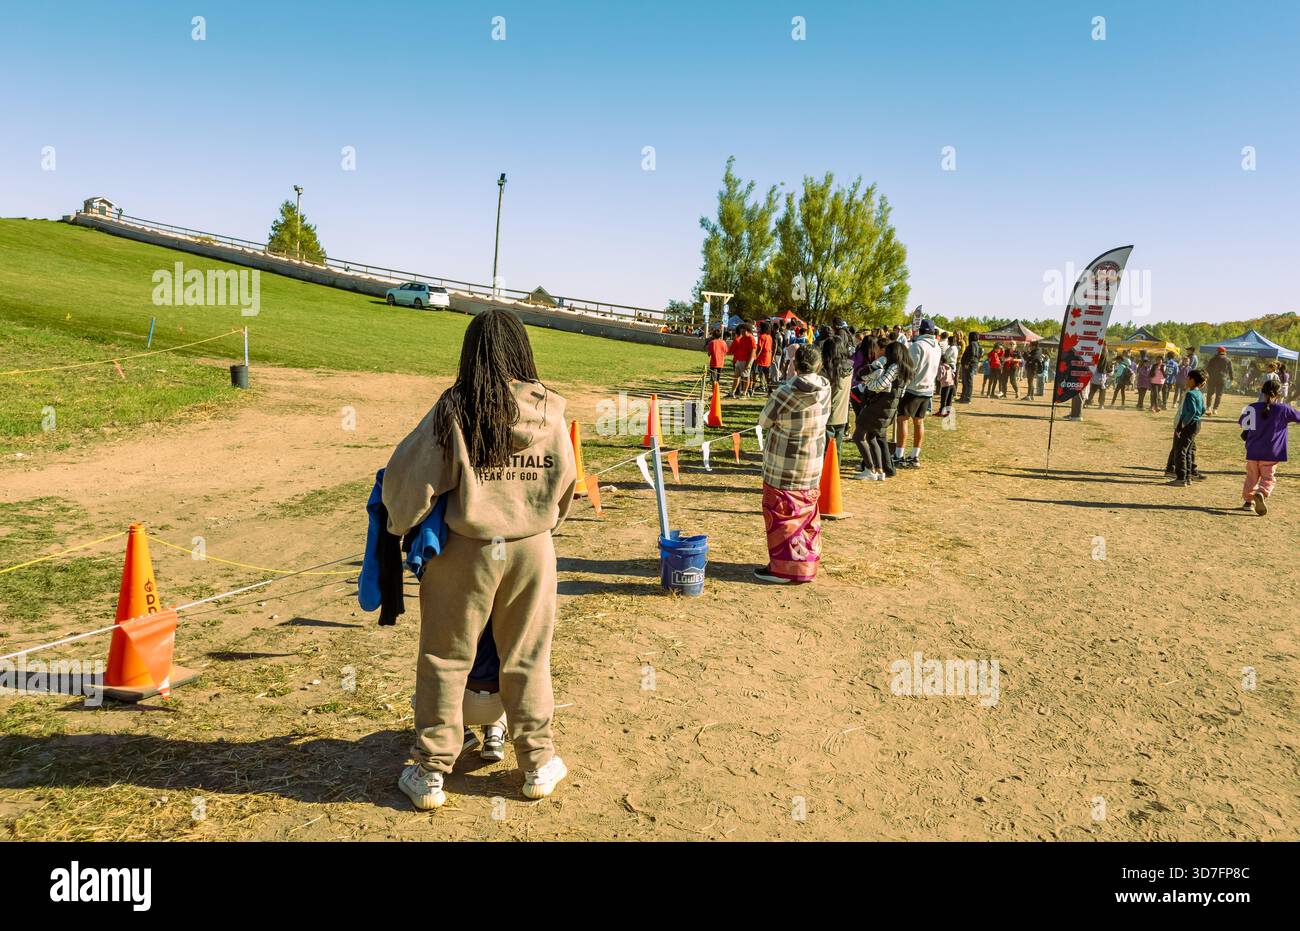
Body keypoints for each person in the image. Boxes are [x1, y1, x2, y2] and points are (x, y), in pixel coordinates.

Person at [383, 308, 578, 810]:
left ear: (471, 353)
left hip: (466, 549)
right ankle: (536, 763)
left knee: (445, 659)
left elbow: (408, 479)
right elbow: (565, 486)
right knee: (529, 657)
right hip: (533, 548)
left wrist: (399, 524)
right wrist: (538, 521)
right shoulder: (551, 409)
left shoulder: (456, 408)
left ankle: (430, 771)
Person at [754, 344, 831, 584]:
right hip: (812, 464)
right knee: (806, 519)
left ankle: (783, 569)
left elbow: (764, 421)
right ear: (819, 365)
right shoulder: (827, 388)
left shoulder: (784, 392)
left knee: (782, 519)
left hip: (783, 465)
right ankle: (805, 565)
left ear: (794, 364)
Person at [1238, 379, 1300, 515]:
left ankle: (1248, 502)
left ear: (1262, 392)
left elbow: (1242, 422)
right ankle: (1261, 492)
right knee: (1268, 478)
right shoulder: (1284, 409)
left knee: (1251, 477)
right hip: (1272, 452)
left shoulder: (1252, 407)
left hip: (1253, 450)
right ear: (1279, 394)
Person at [852, 339, 912, 480]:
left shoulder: (894, 367)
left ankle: (869, 469)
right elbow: (900, 393)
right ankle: (879, 470)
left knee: (858, 436)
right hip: (888, 409)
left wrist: (868, 383)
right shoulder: (906, 370)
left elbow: (881, 384)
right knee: (872, 437)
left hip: (878, 407)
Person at [894, 319, 941, 469]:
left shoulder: (917, 345)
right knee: (919, 421)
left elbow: (909, 368)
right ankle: (915, 456)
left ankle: (898, 455)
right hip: (928, 388)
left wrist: (901, 386)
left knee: (902, 419)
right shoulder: (937, 347)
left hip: (914, 388)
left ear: (920, 331)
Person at [1166, 369, 1206, 487]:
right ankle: (1188, 477)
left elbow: (1192, 411)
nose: (1186, 380)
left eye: (1188, 378)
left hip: (1188, 424)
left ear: (1192, 380)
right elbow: (1202, 409)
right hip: (1197, 423)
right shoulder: (1199, 393)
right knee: (1188, 451)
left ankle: (1181, 478)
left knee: (1180, 450)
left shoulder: (1190, 393)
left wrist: (1182, 424)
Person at [821, 335, 853, 448]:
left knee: (826, 451)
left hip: (826, 416)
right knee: (836, 450)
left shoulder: (825, 371)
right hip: (842, 414)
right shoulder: (849, 368)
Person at [728, 323, 757, 398]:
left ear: (747, 330)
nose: (742, 333)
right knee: (736, 376)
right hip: (740, 359)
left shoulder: (751, 338)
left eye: (743, 331)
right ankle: (732, 392)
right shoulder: (742, 338)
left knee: (746, 377)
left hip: (747, 360)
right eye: (741, 331)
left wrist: (748, 364)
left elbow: (752, 352)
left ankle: (744, 393)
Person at [1206, 347, 1233, 414]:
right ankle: (1215, 409)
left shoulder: (1212, 359)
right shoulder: (1228, 360)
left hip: (1212, 378)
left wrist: (1207, 377)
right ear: (1224, 352)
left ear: (1217, 351)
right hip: (1222, 379)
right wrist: (1231, 378)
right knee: (1219, 395)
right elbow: (1231, 370)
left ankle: (1208, 407)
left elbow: (1207, 369)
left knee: (1210, 393)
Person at [959, 330, 982, 403]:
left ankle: (967, 398)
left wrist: (967, 363)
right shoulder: (977, 344)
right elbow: (979, 355)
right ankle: (963, 397)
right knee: (966, 381)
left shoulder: (972, 344)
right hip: (972, 364)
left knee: (968, 382)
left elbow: (972, 354)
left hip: (969, 365)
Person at [754, 321, 775, 395]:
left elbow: (759, 348)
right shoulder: (770, 337)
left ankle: (751, 389)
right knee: (767, 375)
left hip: (761, 358)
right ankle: (770, 390)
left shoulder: (762, 336)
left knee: (755, 374)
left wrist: (755, 357)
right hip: (768, 358)